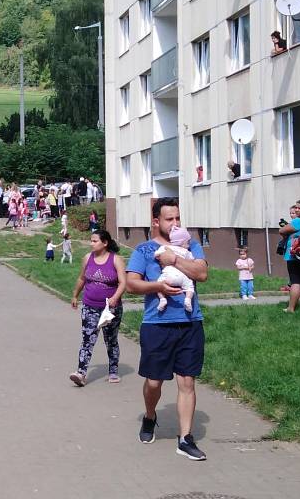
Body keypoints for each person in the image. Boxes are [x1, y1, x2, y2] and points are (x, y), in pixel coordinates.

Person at [126, 197, 208, 461]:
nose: (174, 224)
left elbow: (202, 273)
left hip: (189, 322)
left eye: (178, 218)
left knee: (187, 381)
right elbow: (132, 284)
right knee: (154, 382)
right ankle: (150, 416)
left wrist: (174, 259)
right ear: (156, 222)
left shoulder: (190, 245)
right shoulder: (144, 250)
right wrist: (158, 287)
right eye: (169, 219)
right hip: (156, 324)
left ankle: (185, 438)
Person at [69, 230, 126, 386]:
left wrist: (115, 298)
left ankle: (113, 371)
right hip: (89, 307)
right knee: (87, 339)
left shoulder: (116, 260)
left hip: (110, 309)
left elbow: (123, 282)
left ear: (105, 243)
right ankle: (80, 373)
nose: (91, 244)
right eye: (91, 241)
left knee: (111, 340)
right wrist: (75, 295)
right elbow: (82, 278)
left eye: (95, 241)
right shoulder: (88, 258)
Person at [154, 226, 196, 312]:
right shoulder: (186, 251)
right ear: (182, 242)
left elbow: (156, 254)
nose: (189, 245)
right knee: (190, 287)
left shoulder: (165, 247)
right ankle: (188, 300)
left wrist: (159, 257)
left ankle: (162, 299)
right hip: (182, 276)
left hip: (168, 275)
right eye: (187, 242)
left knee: (158, 285)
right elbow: (192, 260)